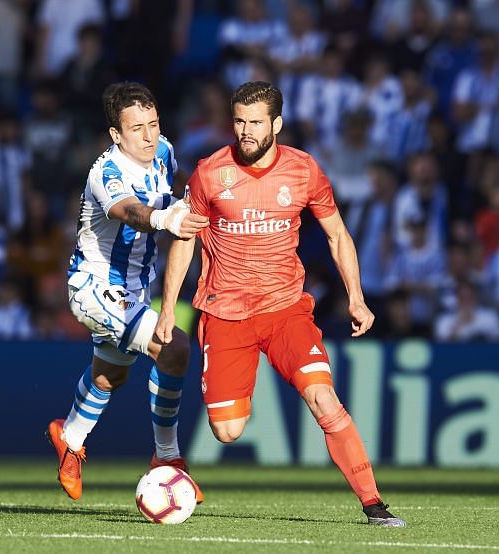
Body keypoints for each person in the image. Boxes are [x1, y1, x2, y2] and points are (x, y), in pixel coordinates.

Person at [155, 81, 406, 527]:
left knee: (324, 399)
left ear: (277, 124)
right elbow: (184, 238)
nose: (246, 131)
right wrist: (169, 309)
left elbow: (337, 235)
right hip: (224, 311)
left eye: (255, 122)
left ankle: (374, 505)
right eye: (239, 121)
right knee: (227, 431)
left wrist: (357, 298)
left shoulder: (304, 171)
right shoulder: (210, 173)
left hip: (284, 308)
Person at [46, 82, 209, 503]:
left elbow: (183, 191)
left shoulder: (166, 152)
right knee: (172, 347)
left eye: (153, 125)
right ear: (116, 135)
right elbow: (130, 212)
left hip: (135, 289)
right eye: (137, 129)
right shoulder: (107, 172)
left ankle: (71, 436)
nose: (149, 136)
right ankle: (168, 458)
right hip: (94, 286)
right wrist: (164, 219)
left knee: (109, 375)